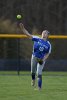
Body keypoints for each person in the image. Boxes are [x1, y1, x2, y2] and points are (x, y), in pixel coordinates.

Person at [19, 23, 51, 90]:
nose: (44, 33)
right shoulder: (37, 38)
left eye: (45, 33)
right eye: (43, 32)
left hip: (41, 59)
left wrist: (43, 59)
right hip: (34, 57)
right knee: (33, 72)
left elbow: (48, 53)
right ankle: (33, 79)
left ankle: (39, 88)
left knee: (39, 73)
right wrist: (23, 29)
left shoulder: (48, 44)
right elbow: (28, 35)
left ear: (48, 35)